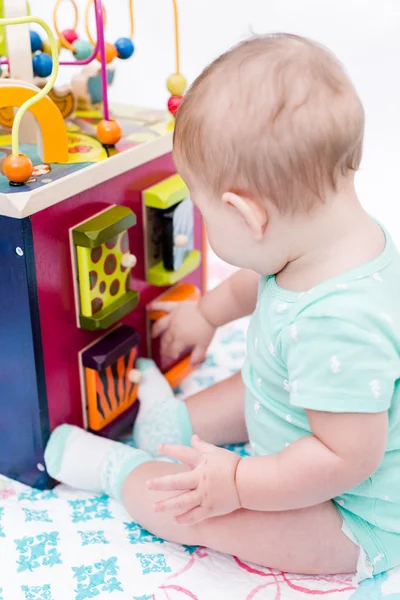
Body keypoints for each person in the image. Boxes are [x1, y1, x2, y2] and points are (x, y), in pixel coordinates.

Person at [45, 34, 400, 580]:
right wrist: (206, 315)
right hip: (301, 410)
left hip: (351, 510)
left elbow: (345, 458)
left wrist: (235, 484)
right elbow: (256, 283)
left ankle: (124, 472)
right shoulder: (317, 239)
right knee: (255, 381)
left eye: (205, 212)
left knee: (201, 514)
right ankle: (166, 425)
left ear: (247, 214)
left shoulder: (340, 323)